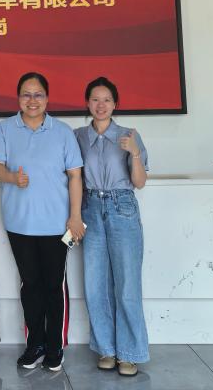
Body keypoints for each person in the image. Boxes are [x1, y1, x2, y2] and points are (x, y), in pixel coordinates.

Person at [0, 72, 84, 372]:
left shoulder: (63, 131)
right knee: (30, 285)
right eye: (26, 95)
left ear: (47, 98)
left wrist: (75, 217)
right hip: (19, 223)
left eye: (38, 94)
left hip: (57, 225)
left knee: (54, 286)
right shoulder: (5, 128)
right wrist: (11, 178)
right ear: (18, 98)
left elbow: (75, 176)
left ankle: (55, 346)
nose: (32, 100)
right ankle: (35, 345)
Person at [73, 76, 149, 377]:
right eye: (95, 99)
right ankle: (106, 349)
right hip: (90, 207)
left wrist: (135, 153)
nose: (100, 105)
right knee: (95, 284)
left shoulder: (129, 135)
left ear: (115, 103)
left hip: (122, 207)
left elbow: (139, 182)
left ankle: (129, 353)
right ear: (87, 103)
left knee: (127, 284)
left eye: (106, 100)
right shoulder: (78, 136)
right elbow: (72, 177)